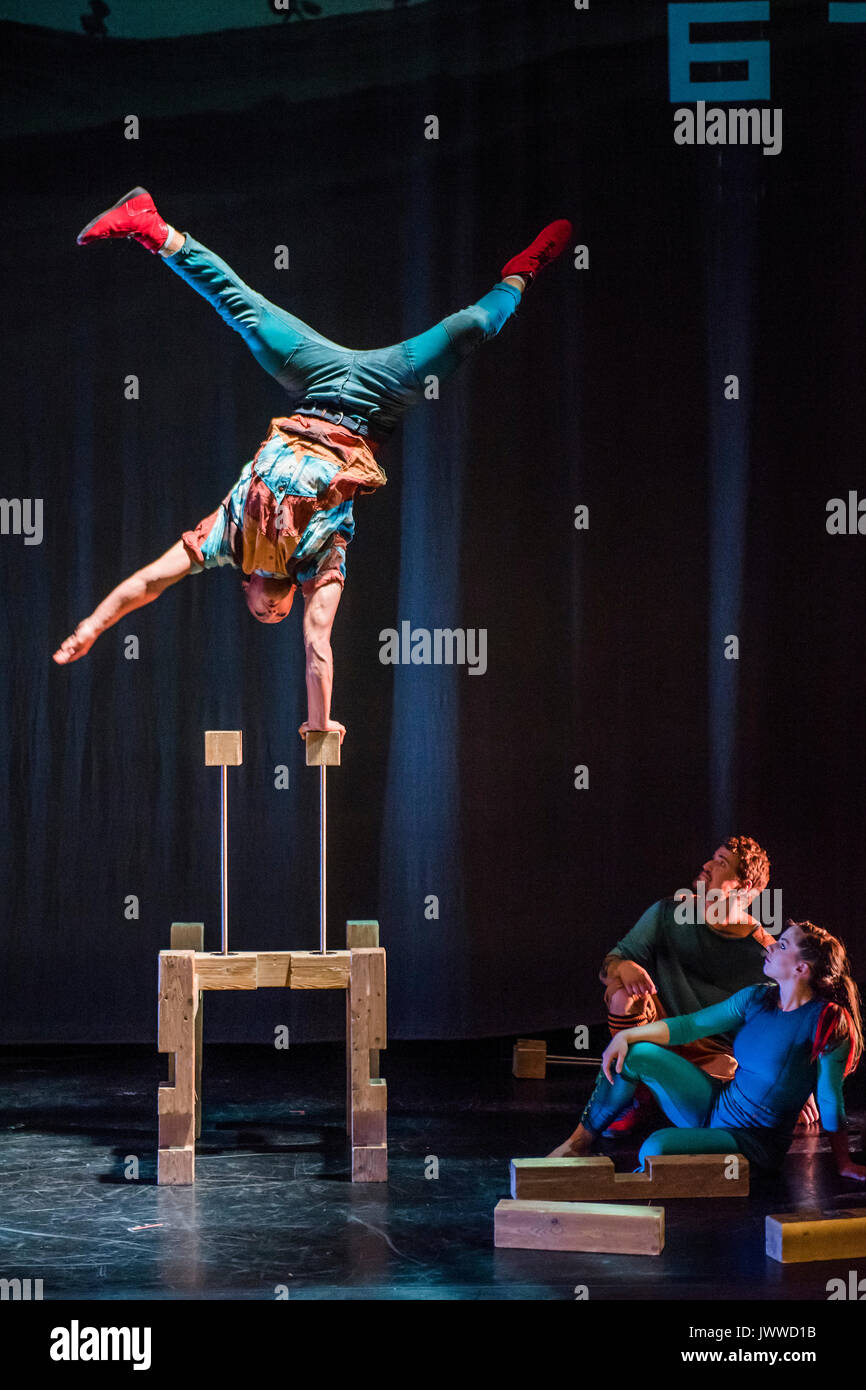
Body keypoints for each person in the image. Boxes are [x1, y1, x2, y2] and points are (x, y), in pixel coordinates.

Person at [53, 188, 572, 742]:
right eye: (281, 617)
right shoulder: (319, 566)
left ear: (248, 591)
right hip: (378, 399)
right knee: (473, 327)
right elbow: (318, 642)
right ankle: (522, 273)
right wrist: (320, 726)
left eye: (263, 615)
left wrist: (92, 626)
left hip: (315, 383)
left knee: (244, 310)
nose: (276, 615)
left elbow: (148, 584)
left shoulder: (223, 541)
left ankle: (150, 226)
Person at [549, 920, 866, 1180]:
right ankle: (578, 1143)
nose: (770, 946)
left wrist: (844, 1163)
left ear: (801, 969)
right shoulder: (757, 997)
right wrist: (627, 1036)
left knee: (655, 1149)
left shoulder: (828, 1022)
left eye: (782, 945)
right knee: (635, 1054)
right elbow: (691, 1026)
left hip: (753, 1141)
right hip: (717, 1105)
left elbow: (829, 1098)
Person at [596, 836, 826, 1134]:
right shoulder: (667, 913)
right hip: (661, 1031)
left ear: (743, 888)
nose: (706, 866)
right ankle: (633, 1094)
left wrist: (798, 1084)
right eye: (713, 857)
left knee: (735, 1109)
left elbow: (791, 1020)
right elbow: (609, 964)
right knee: (622, 994)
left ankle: (671, 1101)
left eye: (721, 863)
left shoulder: (765, 953)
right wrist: (623, 966)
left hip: (714, 1055)